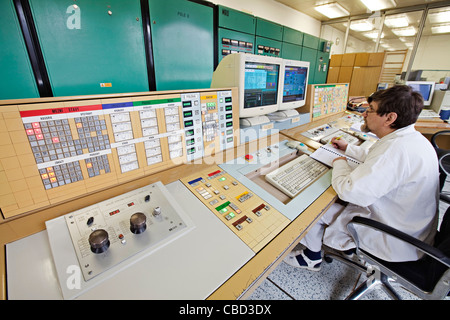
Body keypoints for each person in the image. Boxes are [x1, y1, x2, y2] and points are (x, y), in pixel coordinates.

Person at [285, 85, 440, 271]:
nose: (364, 114)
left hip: (394, 239)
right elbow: (374, 158)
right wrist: (348, 148)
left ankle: (311, 258)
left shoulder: (395, 150)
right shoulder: (412, 139)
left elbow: (349, 191)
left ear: (390, 118)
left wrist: (339, 162)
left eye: (371, 110)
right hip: (413, 230)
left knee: (310, 208)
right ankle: (348, 248)